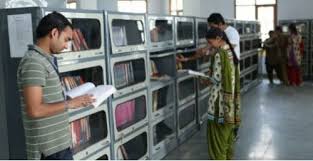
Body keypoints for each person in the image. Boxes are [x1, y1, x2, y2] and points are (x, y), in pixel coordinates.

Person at [16, 11, 95, 160]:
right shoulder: (33, 62)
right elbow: (35, 110)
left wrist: (70, 98)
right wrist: (70, 103)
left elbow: (48, 99)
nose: (66, 46)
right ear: (54, 33)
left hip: (58, 146)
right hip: (49, 152)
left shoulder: (45, 60)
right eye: (66, 39)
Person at [201, 27, 240, 160]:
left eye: (210, 43)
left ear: (218, 39)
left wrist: (203, 78)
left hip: (219, 104)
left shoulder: (219, 54)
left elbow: (216, 79)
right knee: (227, 139)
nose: (210, 46)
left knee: (217, 140)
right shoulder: (230, 50)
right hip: (230, 102)